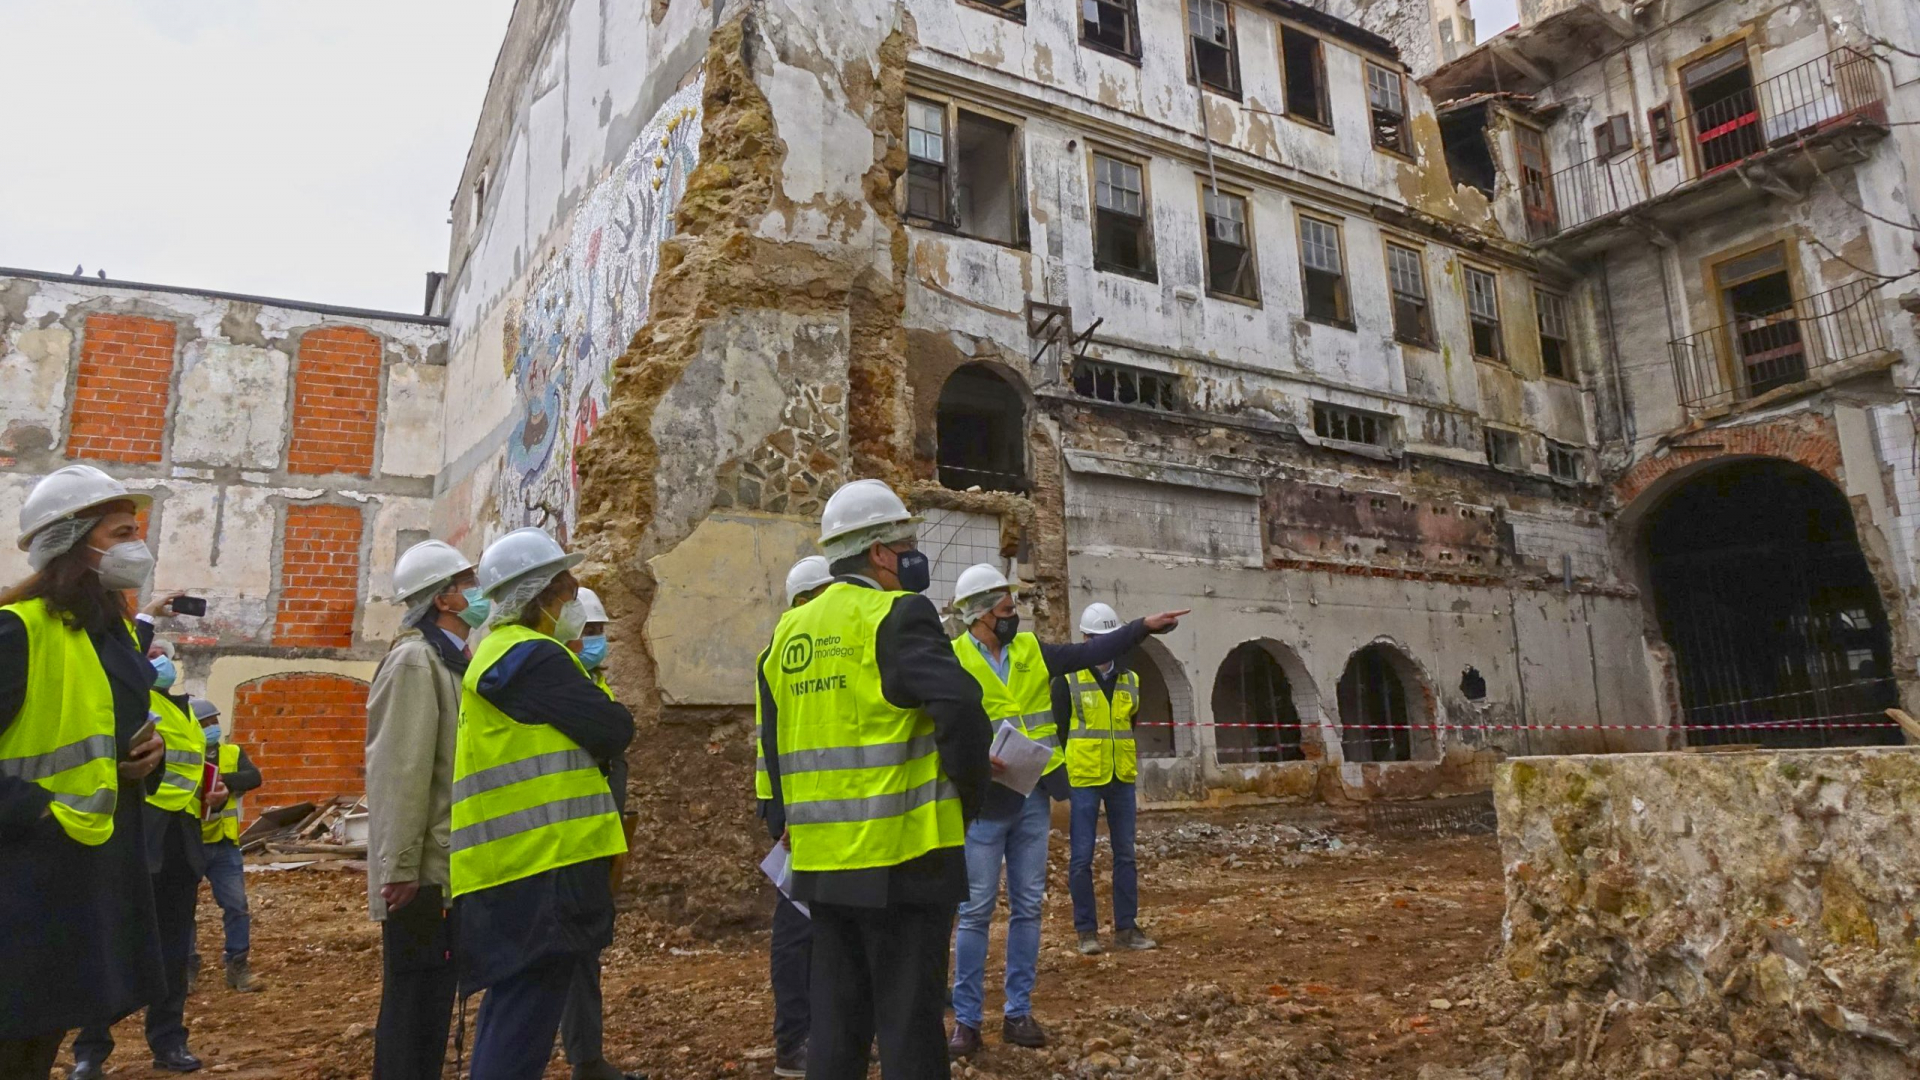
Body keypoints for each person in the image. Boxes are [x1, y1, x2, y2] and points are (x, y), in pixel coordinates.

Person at [759, 479, 991, 1080]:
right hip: (904, 856)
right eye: (906, 542)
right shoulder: (898, 614)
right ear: (880, 553)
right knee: (910, 1024)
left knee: (837, 1022)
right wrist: (966, 801)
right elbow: (962, 710)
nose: (915, 554)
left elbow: (776, 744)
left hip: (823, 862)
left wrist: (790, 827)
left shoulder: (788, 636)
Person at [945, 565, 1186, 1058]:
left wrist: (1140, 626)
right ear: (981, 614)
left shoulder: (1032, 650)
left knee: (1028, 907)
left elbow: (1087, 651)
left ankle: (1018, 1012)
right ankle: (967, 1023)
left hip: (1032, 796)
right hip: (985, 804)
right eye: (1008, 610)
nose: (1016, 617)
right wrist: (970, 760)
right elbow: (935, 728)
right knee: (974, 913)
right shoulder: (950, 662)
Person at [0, 464, 168, 1080]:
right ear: (74, 541)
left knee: (36, 1046)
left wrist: (150, 761)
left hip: (79, 875)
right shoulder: (17, 630)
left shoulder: (111, 633)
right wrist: (36, 811)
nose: (136, 546)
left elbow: (101, 734)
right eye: (121, 532)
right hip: (21, 879)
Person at [454, 528, 633, 1080]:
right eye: (568, 596)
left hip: (513, 865)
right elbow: (612, 728)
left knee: (513, 1007)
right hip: (541, 864)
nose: (576, 608)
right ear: (540, 598)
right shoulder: (533, 657)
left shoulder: (500, 654)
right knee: (524, 1016)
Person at [73, 606, 218, 1077]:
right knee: (112, 944)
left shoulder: (187, 711)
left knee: (174, 952)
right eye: (152, 654)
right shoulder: (137, 702)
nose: (159, 661)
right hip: (138, 838)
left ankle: (169, 1042)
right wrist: (146, 617)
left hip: (180, 843)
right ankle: (90, 1051)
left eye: (163, 655)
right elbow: (121, 661)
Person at [364, 539, 485, 1080]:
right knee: (414, 1003)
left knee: (434, 1000)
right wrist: (400, 869)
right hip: (422, 875)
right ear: (444, 599)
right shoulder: (415, 661)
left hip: (445, 866)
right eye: (469, 584)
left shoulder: (449, 660)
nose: (479, 594)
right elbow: (401, 773)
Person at [556, 585, 643, 1080]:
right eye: (589, 631)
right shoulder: (565, 688)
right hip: (569, 841)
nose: (597, 640)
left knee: (583, 955)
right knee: (564, 956)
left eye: (601, 631)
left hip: (597, 835)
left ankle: (587, 1059)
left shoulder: (591, 683)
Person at [754, 556, 834, 1078]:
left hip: (819, 805)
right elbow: (776, 739)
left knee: (829, 925)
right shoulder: (786, 650)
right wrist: (786, 815)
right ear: (805, 600)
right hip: (793, 809)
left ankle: (827, 1034)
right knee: (799, 928)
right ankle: (794, 1042)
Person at [1054, 603, 1157, 956]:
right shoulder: (1068, 680)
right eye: (1100, 639)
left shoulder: (1131, 679)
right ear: (1086, 639)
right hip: (1083, 777)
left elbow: (1130, 725)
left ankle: (1126, 929)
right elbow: (1059, 730)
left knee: (1125, 855)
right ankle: (1087, 931)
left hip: (1120, 777)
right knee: (1081, 858)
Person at [194, 698, 265, 991]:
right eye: (205, 723)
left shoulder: (232, 752)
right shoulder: (185, 756)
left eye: (214, 721)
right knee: (184, 910)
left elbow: (254, 777)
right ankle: (185, 968)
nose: (212, 727)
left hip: (224, 842)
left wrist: (222, 779)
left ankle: (238, 965)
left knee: (236, 906)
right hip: (193, 841)